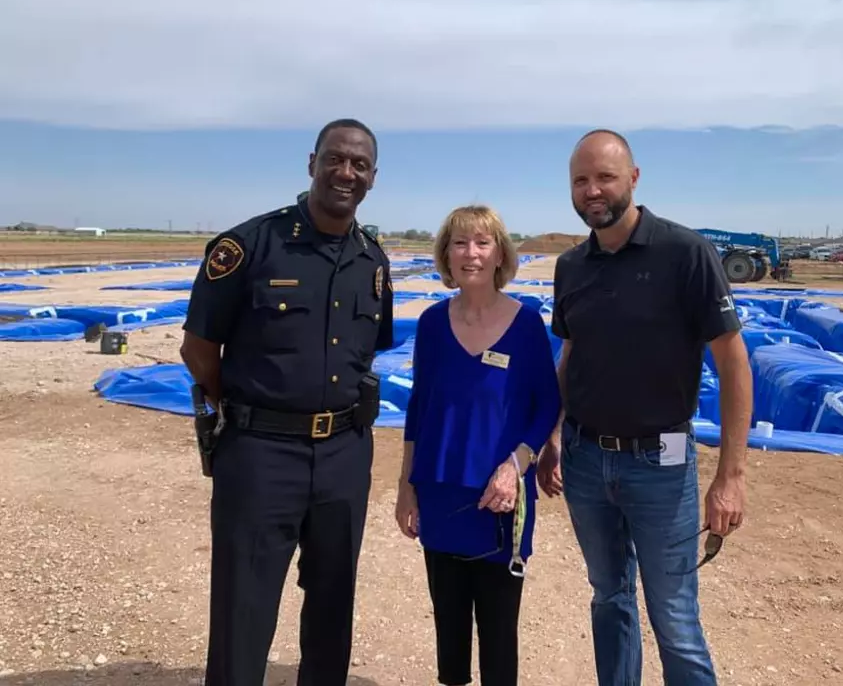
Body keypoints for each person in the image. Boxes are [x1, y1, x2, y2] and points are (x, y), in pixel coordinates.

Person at [179, 118, 394, 686]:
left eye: (360, 165)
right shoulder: (248, 246)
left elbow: (366, 355)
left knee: (332, 605)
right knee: (243, 605)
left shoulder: (374, 261)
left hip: (346, 454)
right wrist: (249, 410)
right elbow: (199, 349)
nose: (346, 172)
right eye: (335, 159)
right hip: (260, 453)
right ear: (312, 162)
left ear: (373, 177)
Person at [536, 129, 753, 686]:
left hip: (665, 460)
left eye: (605, 177)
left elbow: (734, 365)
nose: (592, 190)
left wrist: (731, 476)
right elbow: (571, 355)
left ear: (633, 179)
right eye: (580, 180)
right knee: (609, 598)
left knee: (675, 617)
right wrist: (551, 432)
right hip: (585, 460)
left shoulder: (686, 254)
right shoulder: (572, 267)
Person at [394, 204, 562, 686]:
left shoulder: (527, 324)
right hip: (440, 491)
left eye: (482, 242)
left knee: (498, 630)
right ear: (446, 254)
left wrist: (517, 465)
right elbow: (418, 408)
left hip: (500, 498)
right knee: (448, 625)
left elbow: (546, 405)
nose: (471, 253)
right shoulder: (429, 324)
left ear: (499, 254)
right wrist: (406, 487)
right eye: (460, 243)